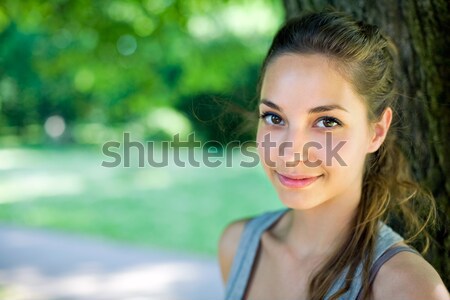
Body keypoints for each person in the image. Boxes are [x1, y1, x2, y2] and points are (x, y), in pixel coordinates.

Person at [218, 11, 449, 300]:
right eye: (275, 118)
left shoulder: (408, 289)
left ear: (376, 131)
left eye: (327, 122)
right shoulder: (239, 246)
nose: (290, 152)